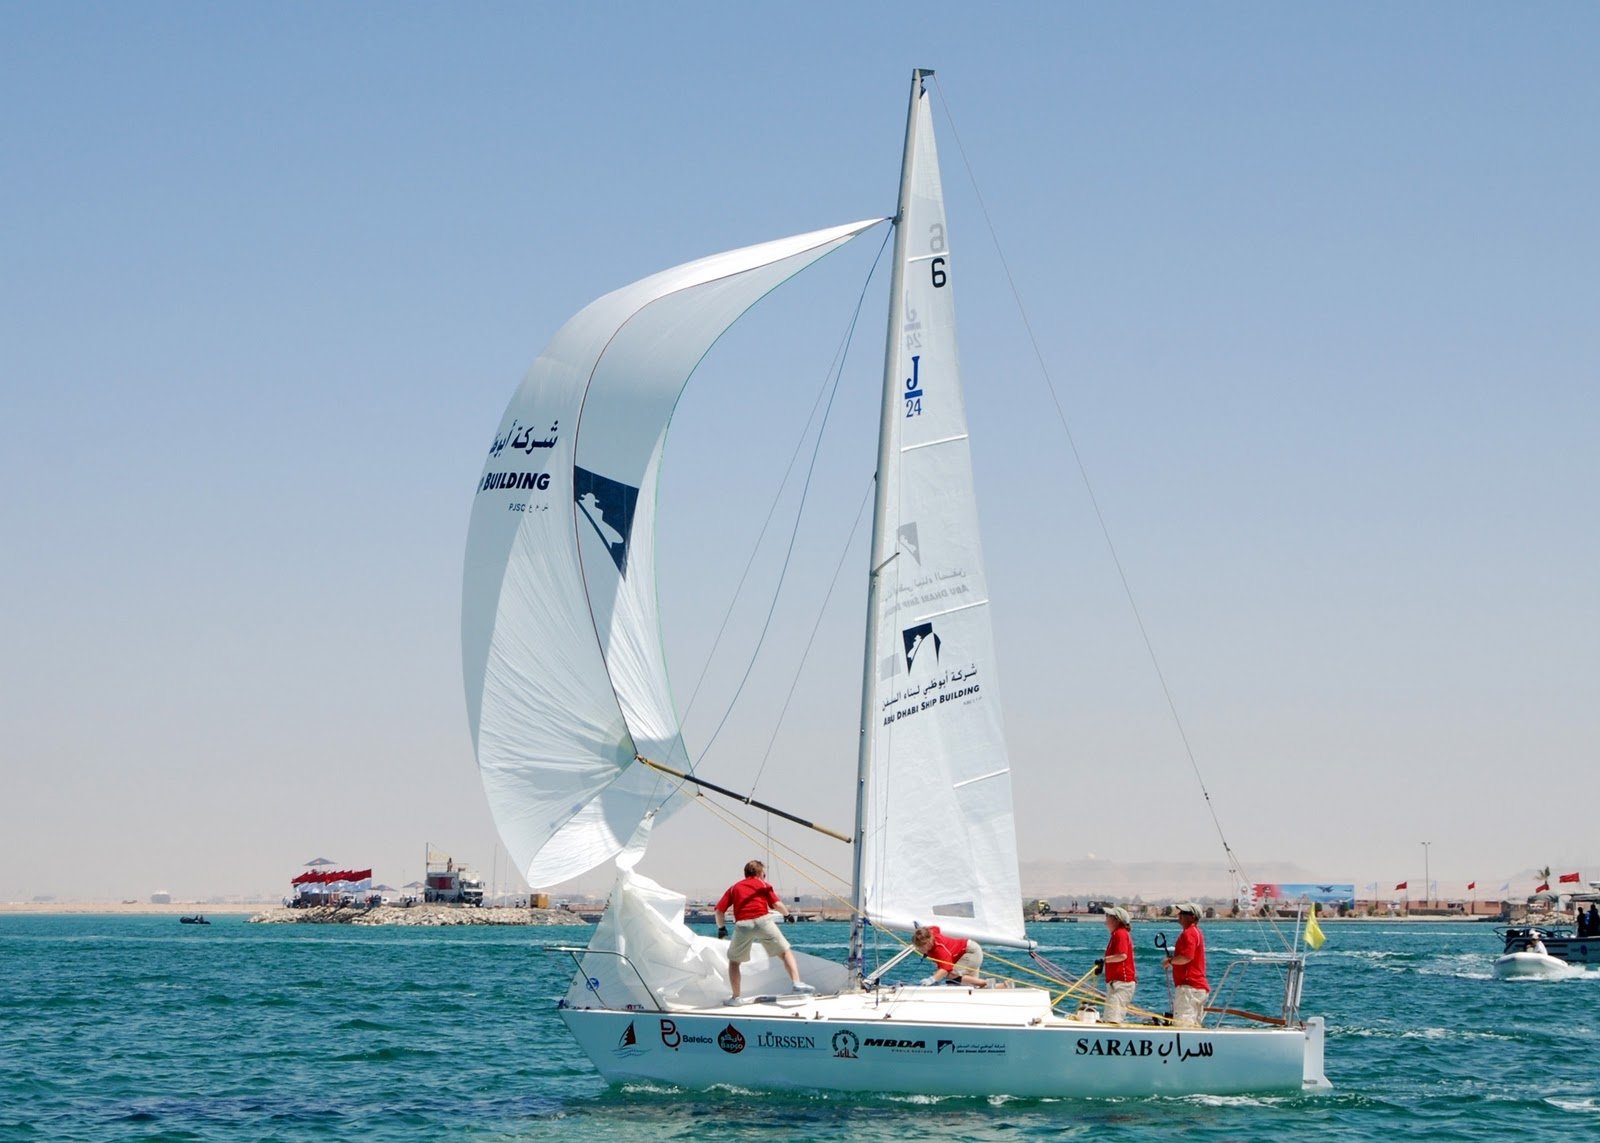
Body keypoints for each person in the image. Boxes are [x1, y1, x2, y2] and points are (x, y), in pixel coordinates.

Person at [714, 860, 812, 1004]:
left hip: (743, 925)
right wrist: (788, 916)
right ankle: (797, 983)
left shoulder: (734, 888)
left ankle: (736, 998)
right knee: (785, 953)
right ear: (760, 873)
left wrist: (721, 929)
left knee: (734, 962)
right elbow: (776, 904)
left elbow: (719, 911)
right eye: (764, 874)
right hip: (763, 921)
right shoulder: (763, 885)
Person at [1163, 902, 1210, 1026]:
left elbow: (1187, 957)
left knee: (1182, 1024)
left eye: (1183, 913)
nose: (1179, 915)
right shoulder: (1196, 932)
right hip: (1197, 987)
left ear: (1193, 917)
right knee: (1194, 1024)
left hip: (1189, 987)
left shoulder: (1189, 933)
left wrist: (1170, 961)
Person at [1095, 906, 1137, 1022]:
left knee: (1113, 1019)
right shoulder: (1115, 934)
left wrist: (1104, 960)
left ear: (1116, 920)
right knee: (1109, 1017)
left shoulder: (1120, 934)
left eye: (1108, 916)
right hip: (1115, 983)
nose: (1106, 919)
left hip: (1122, 983)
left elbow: (1122, 955)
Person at [912, 925, 989, 987]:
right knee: (972, 987)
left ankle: (984, 982)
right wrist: (921, 931)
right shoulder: (931, 933)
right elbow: (936, 928)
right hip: (966, 954)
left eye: (922, 946)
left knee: (951, 975)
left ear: (928, 942)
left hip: (970, 953)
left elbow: (946, 968)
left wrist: (931, 979)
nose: (920, 949)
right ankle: (997, 985)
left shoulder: (939, 948)